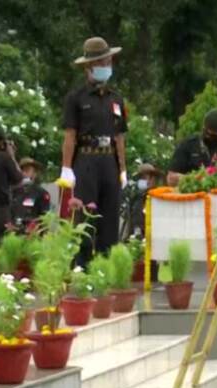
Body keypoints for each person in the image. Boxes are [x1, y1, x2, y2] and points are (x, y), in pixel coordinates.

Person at [59, 36, 128, 265]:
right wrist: (66, 168)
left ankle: (106, 270)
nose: (107, 67)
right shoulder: (76, 98)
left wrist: (123, 169)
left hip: (109, 160)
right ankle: (82, 270)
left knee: (109, 219)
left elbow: (119, 137)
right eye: (102, 63)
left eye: (108, 62)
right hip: (86, 161)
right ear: (89, 67)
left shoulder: (116, 99)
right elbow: (70, 135)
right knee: (85, 219)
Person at [167, 109, 217, 186]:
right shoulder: (188, 146)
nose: (212, 139)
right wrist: (198, 179)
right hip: (194, 195)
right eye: (209, 135)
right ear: (204, 129)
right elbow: (171, 178)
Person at [11, 157, 51, 232]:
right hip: (13, 232)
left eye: (27, 170)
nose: (24, 173)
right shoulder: (13, 191)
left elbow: (44, 218)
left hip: (32, 233)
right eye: (22, 170)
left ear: (34, 173)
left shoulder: (40, 193)